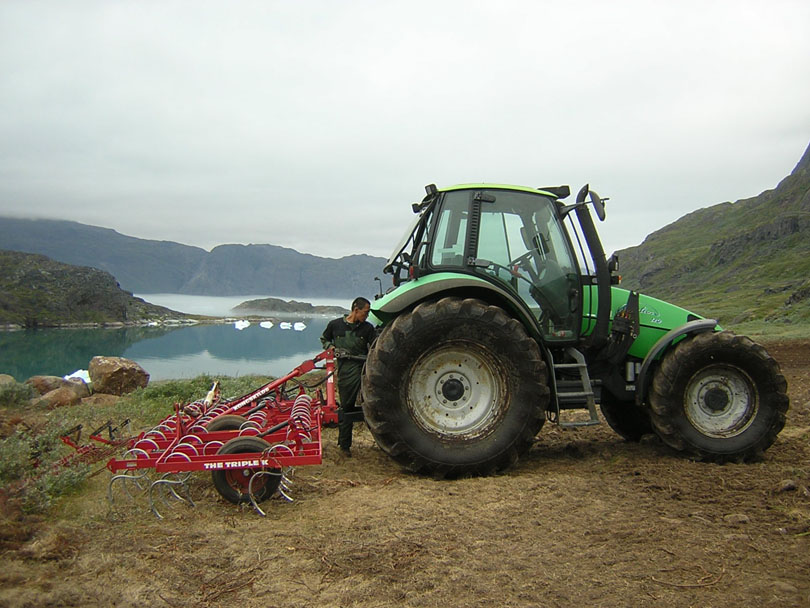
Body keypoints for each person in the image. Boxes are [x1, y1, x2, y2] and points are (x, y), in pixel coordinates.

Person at [320, 297, 375, 457]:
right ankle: (344, 446)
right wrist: (331, 348)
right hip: (346, 373)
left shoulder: (367, 329)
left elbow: (374, 348)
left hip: (363, 370)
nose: (367, 315)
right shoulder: (335, 325)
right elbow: (324, 339)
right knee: (347, 408)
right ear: (355, 309)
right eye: (365, 312)